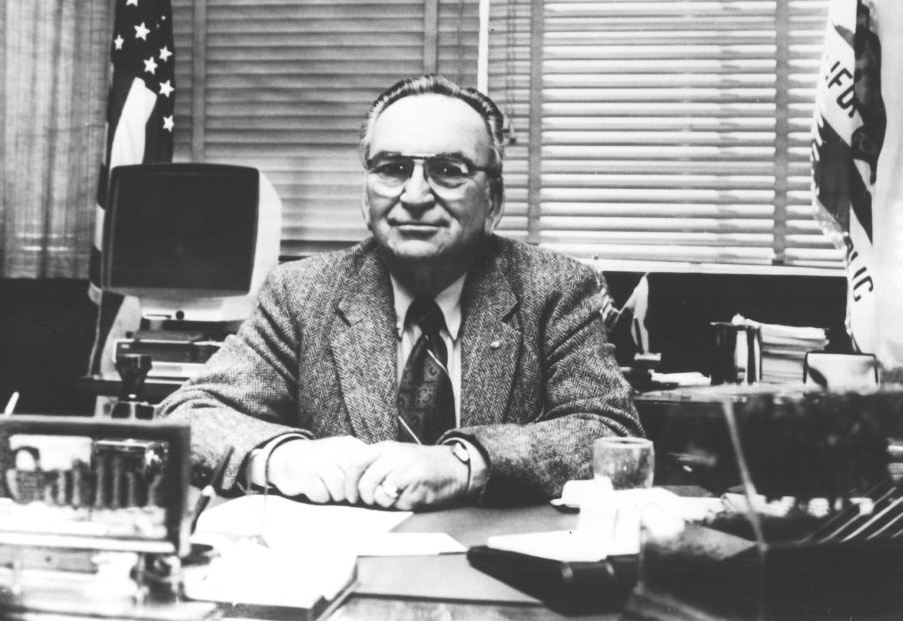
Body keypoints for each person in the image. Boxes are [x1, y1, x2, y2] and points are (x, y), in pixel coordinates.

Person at [157, 75, 642, 508]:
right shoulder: (301, 293)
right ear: (365, 195)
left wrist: (464, 464)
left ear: (493, 200)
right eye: (392, 168)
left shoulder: (553, 289)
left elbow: (609, 431)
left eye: (448, 170)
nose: (414, 196)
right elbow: (190, 415)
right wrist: (283, 457)